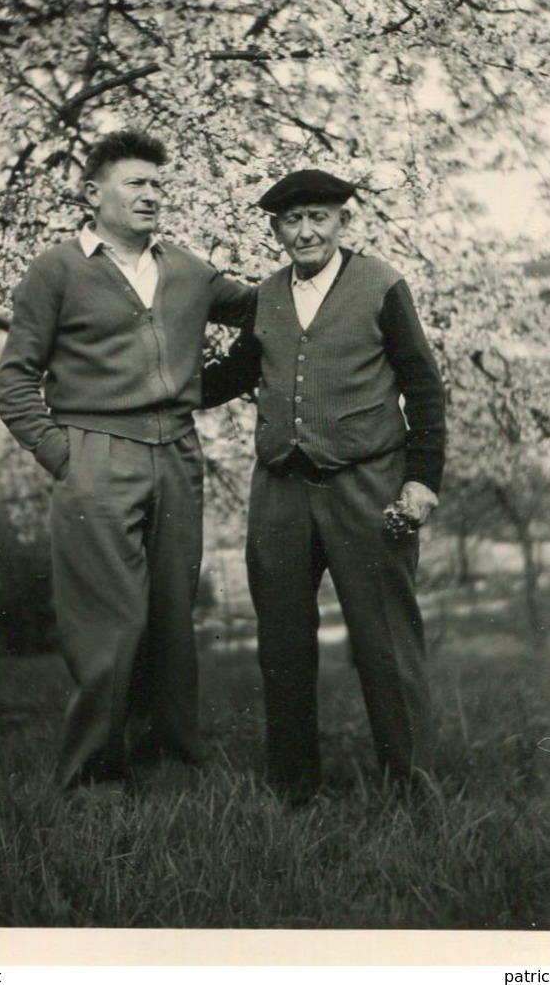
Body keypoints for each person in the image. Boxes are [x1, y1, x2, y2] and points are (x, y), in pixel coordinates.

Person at [0, 129, 253, 793]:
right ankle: (91, 779)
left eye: (159, 185)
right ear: (93, 193)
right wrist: (66, 456)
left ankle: (170, 764)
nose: (152, 194)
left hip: (178, 453)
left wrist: (216, 383)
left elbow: (266, 311)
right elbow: (14, 381)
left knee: (171, 616)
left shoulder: (187, 269)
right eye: (136, 182)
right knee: (110, 624)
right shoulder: (56, 269)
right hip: (96, 453)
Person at [202, 169, 445, 805]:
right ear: (276, 230)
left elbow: (422, 384)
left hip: (367, 483)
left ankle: (414, 791)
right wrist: (150, 391)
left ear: (342, 221)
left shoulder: (382, 284)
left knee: (385, 641)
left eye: (318, 217)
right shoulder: (267, 295)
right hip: (280, 486)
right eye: (291, 221)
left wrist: (422, 481)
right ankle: (292, 791)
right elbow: (235, 373)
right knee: (281, 641)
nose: (305, 231)